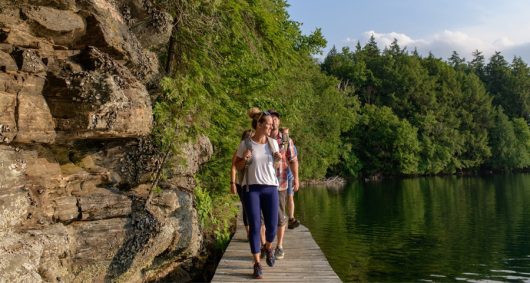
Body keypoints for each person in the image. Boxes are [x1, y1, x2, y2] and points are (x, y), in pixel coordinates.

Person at [235, 108, 281, 279]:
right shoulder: (246, 144)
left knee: (272, 225)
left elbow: (275, 167)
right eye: (268, 124)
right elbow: (237, 166)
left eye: (271, 124)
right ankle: (257, 264)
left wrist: (278, 159)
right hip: (251, 188)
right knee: (255, 226)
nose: (271, 127)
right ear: (259, 124)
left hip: (270, 188)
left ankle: (268, 247)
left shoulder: (272, 143)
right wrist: (244, 158)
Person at [267, 109, 299, 260]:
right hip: (264, 182)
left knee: (280, 215)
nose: (274, 121)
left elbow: (293, 160)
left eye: (276, 118)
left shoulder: (286, 140)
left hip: (281, 182)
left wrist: (297, 179)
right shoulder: (263, 138)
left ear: (279, 122)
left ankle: (279, 246)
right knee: (264, 216)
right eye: (271, 118)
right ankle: (267, 245)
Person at [230, 130, 253, 237]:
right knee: (246, 206)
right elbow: (234, 168)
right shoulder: (238, 151)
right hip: (241, 184)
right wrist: (233, 183)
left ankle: (255, 230)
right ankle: (249, 232)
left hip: (253, 183)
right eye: (248, 137)